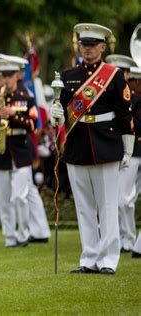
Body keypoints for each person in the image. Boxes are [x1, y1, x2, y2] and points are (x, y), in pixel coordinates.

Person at [50, 23, 134, 274]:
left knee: (108, 206)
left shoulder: (114, 75)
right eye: (83, 44)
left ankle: (109, 259)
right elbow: (62, 113)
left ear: (102, 47)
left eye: (92, 45)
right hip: (77, 146)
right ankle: (89, 257)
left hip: (106, 145)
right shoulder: (67, 76)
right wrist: (56, 115)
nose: (87, 49)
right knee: (84, 207)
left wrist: (127, 147)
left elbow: (124, 113)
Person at [0, 55, 39, 248]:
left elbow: (33, 124)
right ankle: (9, 237)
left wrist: (14, 115)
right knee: (3, 199)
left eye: (10, 75)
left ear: (17, 76)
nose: (7, 79)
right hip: (1, 151)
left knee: (19, 196)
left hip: (20, 150)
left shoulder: (26, 99)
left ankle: (24, 234)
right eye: (4, 75)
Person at [106, 54, 138, 253]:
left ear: (127, 74)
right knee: (111, 199)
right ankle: (116, 238)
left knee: (125, 200)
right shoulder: (106, 98)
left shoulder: (134, 98)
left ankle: (129, 239)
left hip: (132, 152)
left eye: (120, 72)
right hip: (111, 150)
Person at [125, 66, 141, 258]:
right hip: (132, 151)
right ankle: (129, 241)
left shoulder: (134, 100)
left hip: (135, 150)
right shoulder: (130, 100)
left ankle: (136, 245)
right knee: (125, 200)